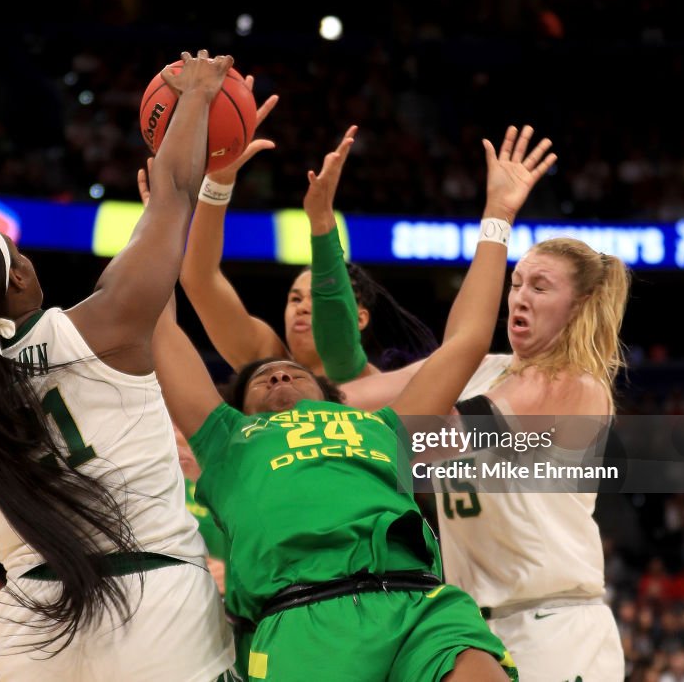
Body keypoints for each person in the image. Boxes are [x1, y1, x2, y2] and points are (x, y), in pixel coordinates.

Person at [153, 125, 556, 681]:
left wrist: (498, 215)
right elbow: (156, 322)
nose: (276, 375)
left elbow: (464, 341)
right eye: (262, 379)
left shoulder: (381, 421)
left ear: (335, 398)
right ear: (239, 409)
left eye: (290, 373)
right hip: (304, 615)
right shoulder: (227, 438)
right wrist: (163, 219)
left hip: (419, 603)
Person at [0, 55, 235, 680]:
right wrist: (197, 94)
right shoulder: (100, 328)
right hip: (152, 601)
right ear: (22, 275)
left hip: (31, 623)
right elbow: (173, 193)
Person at [438, 233, 630, 681]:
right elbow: (356, 394)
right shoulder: (485, 371)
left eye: (540, 288)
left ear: (579, 305)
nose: (520, 298)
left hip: (554, 627)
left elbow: (427, 437)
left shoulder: (570, 385)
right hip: (477, 628)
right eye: (516, 283)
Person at [138, 101, 437, 383]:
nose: (302, 308)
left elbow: (338, 349)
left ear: (359, 319)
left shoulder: (381, 387)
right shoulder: (268, 362)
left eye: (315, 298)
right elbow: (198, 278)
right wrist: (219, 180)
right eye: (295, 299)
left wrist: (321, 221)